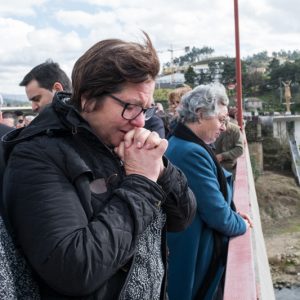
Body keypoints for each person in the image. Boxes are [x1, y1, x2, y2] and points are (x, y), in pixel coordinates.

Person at [3, 32, 196, 299]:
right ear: (88, 98)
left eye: (147, 109)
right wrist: (141, 182)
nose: (141, 122)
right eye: (131, 106)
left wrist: (161, 170)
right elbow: (74, 269)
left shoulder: (121, 142)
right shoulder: (37, 155)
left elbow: (182, 217)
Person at [165, 83, 253, 300]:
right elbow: (217, 215)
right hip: (193, 255)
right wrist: (242, 224)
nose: (225, 127)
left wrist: (232, 214)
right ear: (200, 114)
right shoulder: (190, 153)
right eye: (222, 119)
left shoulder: (181, 143)